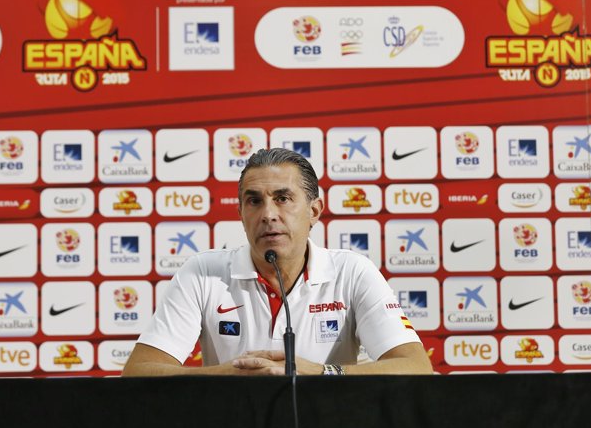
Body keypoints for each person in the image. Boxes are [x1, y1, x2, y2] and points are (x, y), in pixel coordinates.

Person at [123, 148, 433, 376]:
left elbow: (416, 367)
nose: (268, 214)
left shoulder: (352, 272)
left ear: (314, 211)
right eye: (254, 200)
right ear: (242, 213)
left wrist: (320, 372)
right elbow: (139, 372)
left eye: (282, 198)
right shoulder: (203, 272)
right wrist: (229, 375)